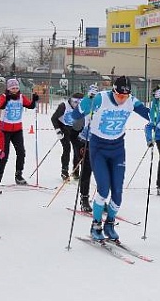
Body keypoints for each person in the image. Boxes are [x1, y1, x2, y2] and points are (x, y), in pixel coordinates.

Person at [71, 75, 153, 241]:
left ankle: (109, 223)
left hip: (117, 149)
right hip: (98, 148)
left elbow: (152, 116)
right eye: (119, 96)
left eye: (125, 96)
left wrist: (156, 102)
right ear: (113, 91)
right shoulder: (100, 98)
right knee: (103, 189)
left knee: (117, 192)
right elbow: (75, 115)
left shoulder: (131, 101)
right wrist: (88, 99)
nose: (122, 100)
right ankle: (96, 225)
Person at [0, 78, 38, 186]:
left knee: (21, 152)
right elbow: (1, 106)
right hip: (4, 130)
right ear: (8, 89)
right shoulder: (3, 97)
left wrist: (34, 100)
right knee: (4, 155)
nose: (15, 90)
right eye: (12, 88)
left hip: (17, 130)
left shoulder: (21, 97)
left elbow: (30, 106)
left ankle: (18, 175)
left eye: (16, 88)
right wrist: (7, 99)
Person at [72, 84, 99, 212]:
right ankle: (84, 198)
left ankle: (101, 200)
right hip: (85, 140)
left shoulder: (103, 105)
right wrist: (88, 98)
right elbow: (76, 118)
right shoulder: (85, 104)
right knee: (87, 171)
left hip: (100, 142)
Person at [51, 92, 84, 181]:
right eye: (75, 102)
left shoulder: (82, 108)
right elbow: (54, 118)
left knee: (78, 150)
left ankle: (76, 171)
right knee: (67, 148)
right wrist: (58, 130)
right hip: (63, 129)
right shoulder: (63, 106)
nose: (77, 105)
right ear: (71, 100)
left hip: (75, 130)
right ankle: (64, 171)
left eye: (80, 102)